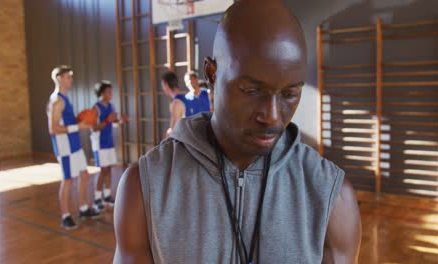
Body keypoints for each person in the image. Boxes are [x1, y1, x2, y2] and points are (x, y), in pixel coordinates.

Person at [113, 0, 361, 263]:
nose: (273, 116)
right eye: (252, 91)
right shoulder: (144, 187)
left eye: (290, 94)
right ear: (211, 74)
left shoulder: (331, 195)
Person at [47, 65, 100, 230]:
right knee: (68, 180)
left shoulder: (65, 98)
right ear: (60, 79)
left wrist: (79, 121)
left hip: (74, 144)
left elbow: (67, 123)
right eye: (68, 76)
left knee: (84, 174)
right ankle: (65, 216)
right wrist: (79, 126)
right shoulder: (57, 101)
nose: (71, 79)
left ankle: (83, 208)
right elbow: (53, 129)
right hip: (65, 148)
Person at [91, 81, 128, 211]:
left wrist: (121, 121)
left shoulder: (111, 106)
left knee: (109, 169)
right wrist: (107, 120)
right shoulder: (96, 108)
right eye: (108, 92)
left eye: (111, 92)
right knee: (103, 170)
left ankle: (107, 196)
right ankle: (97, 198)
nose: (111, 94)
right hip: (99, 143)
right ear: (101, 93)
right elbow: (94, 128)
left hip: (109, 142)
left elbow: (114, 123)